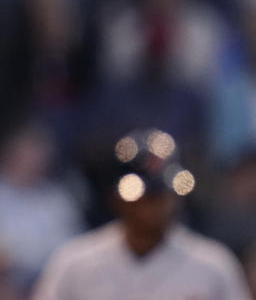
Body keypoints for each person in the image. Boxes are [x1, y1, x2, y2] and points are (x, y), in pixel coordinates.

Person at [33, 128, 252, 300]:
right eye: (144, 198)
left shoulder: (214, 265)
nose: (155, 207)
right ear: (116, 198)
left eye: (162, 196)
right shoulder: (75, 263)